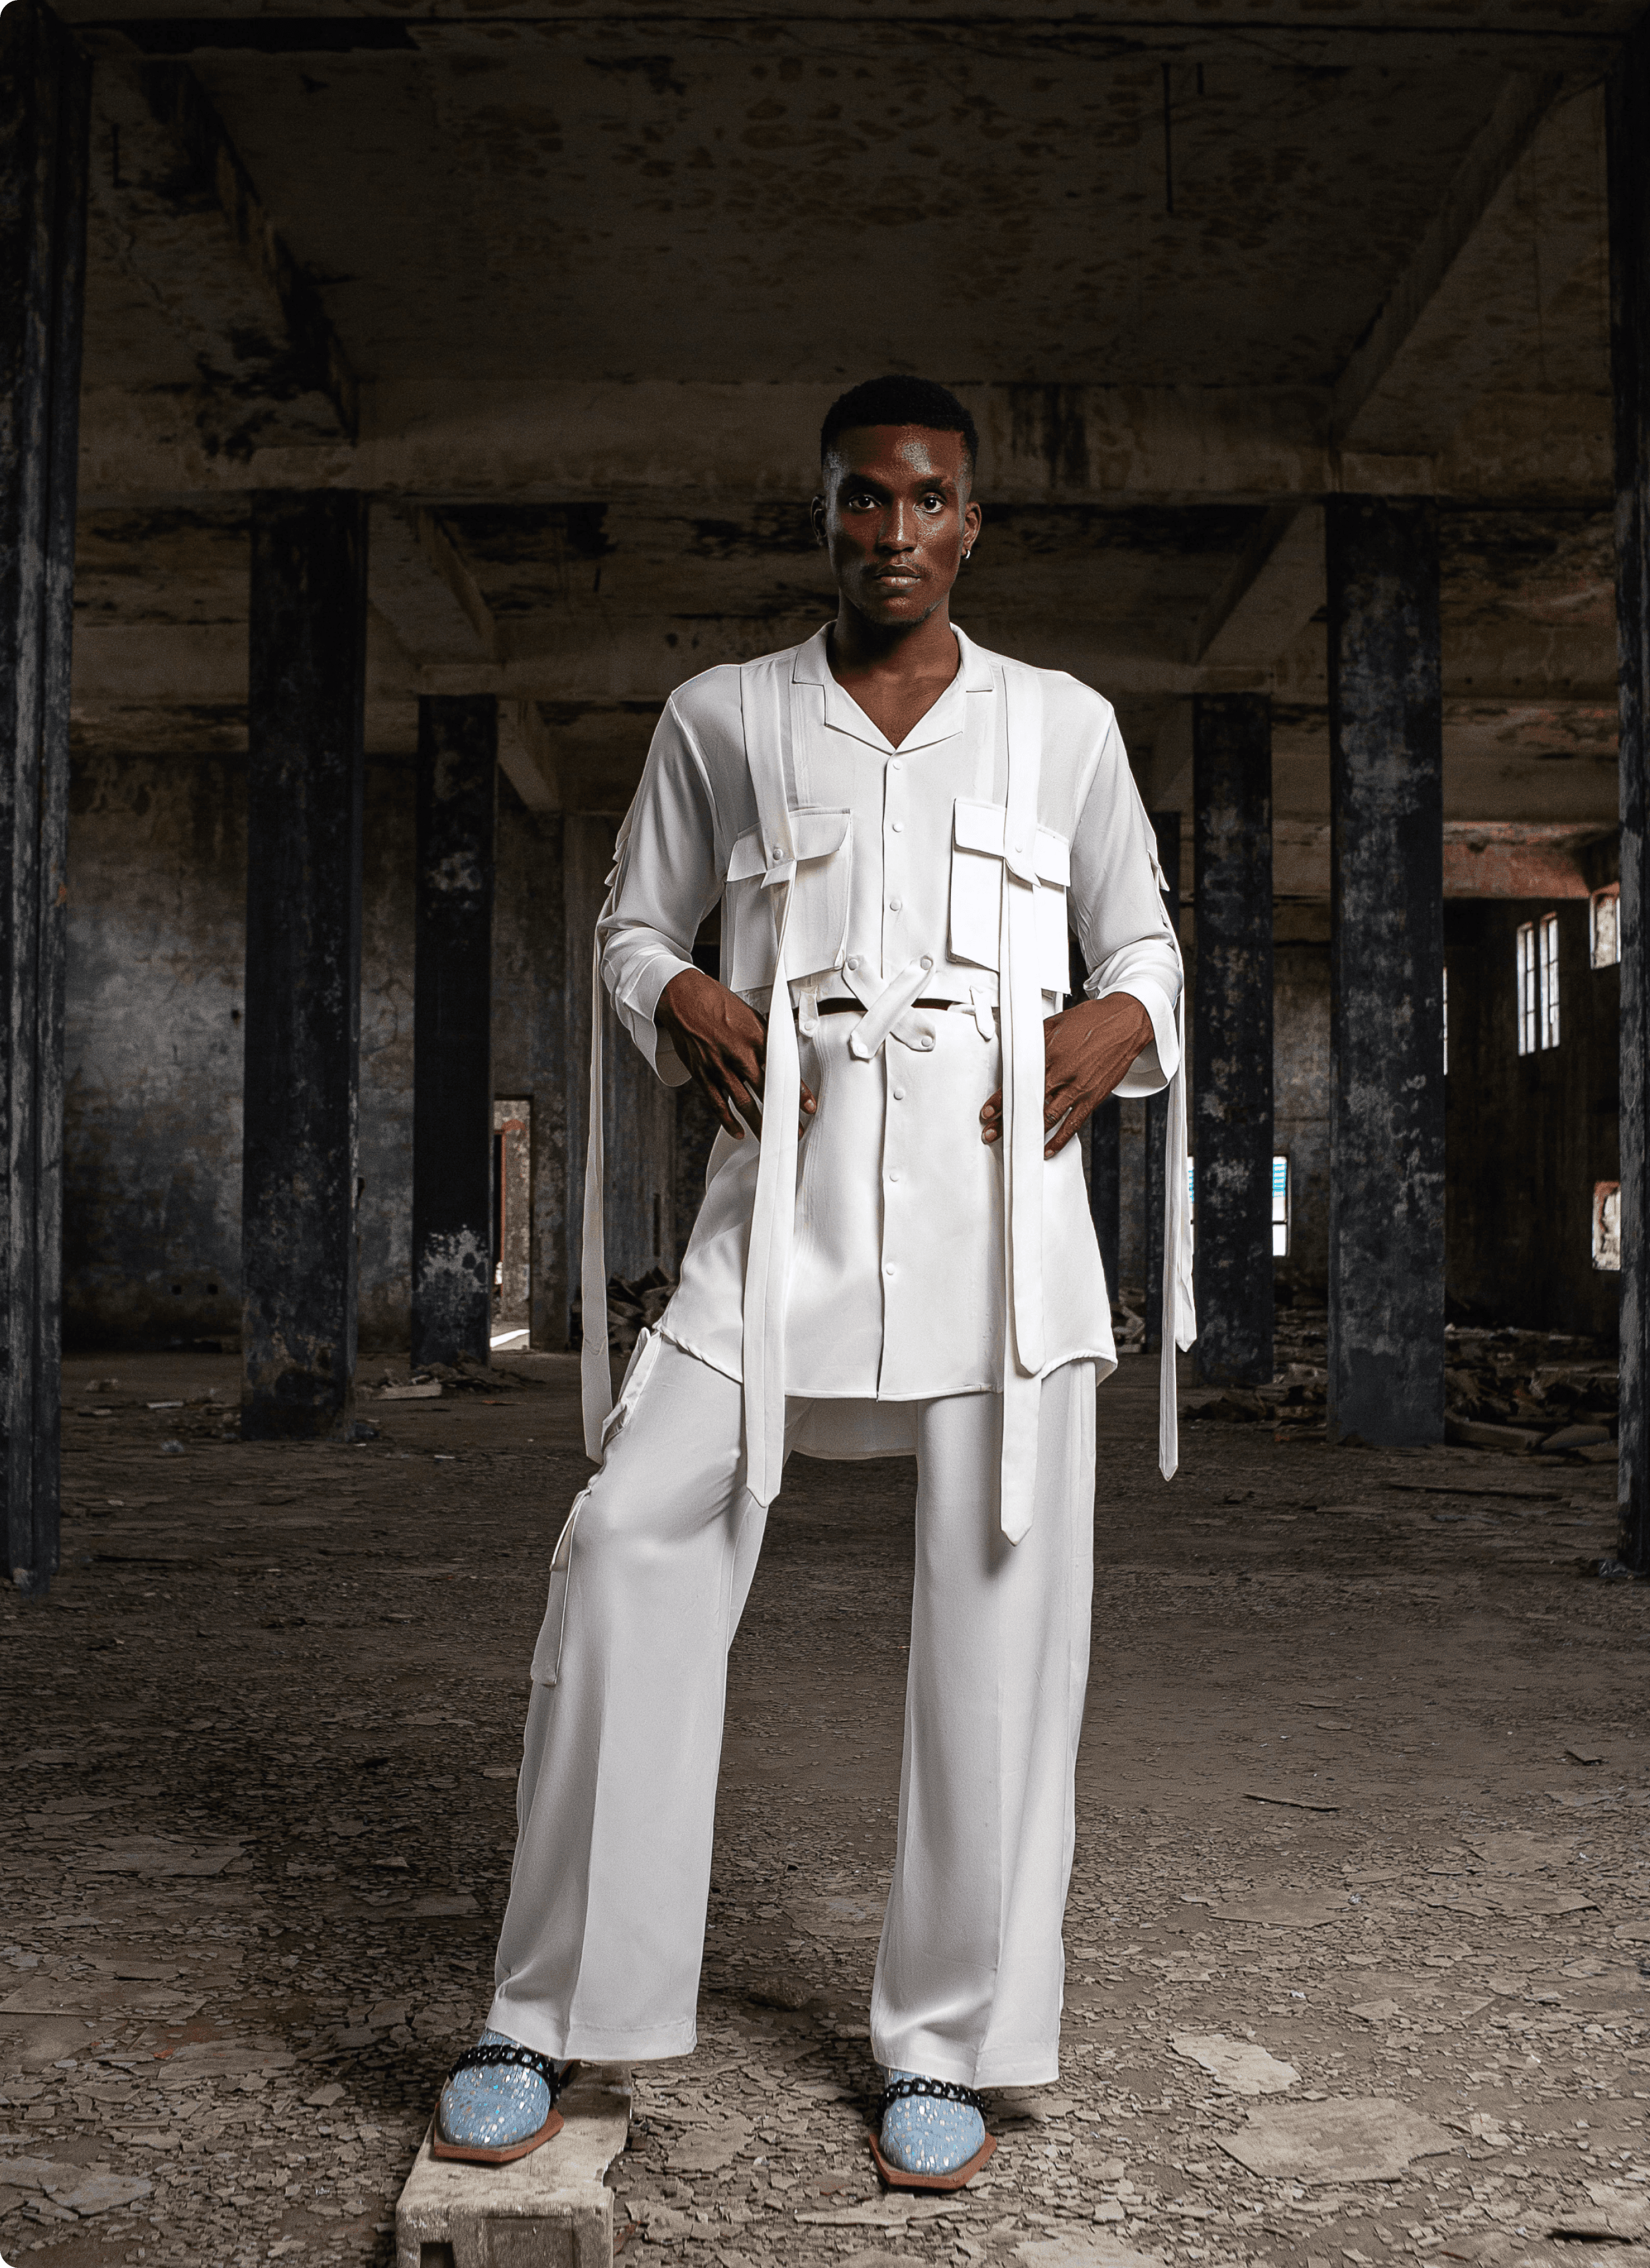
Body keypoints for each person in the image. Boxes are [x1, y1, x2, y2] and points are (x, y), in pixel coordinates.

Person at [432, 375, 1194, 2187]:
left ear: (972, 522)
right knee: (626, 1549)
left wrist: (1119, 1016)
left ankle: (950, 2045)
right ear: (827, 515)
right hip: (772, 1230)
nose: (897, 532)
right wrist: (677, 992)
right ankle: (548, 2015)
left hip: (1003, 1240)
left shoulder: (1063, 726)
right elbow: (630, 923)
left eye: (930, 501)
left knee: (1005, 1639)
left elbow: (1149, 934)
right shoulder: (723, 718)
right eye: (866, 500)